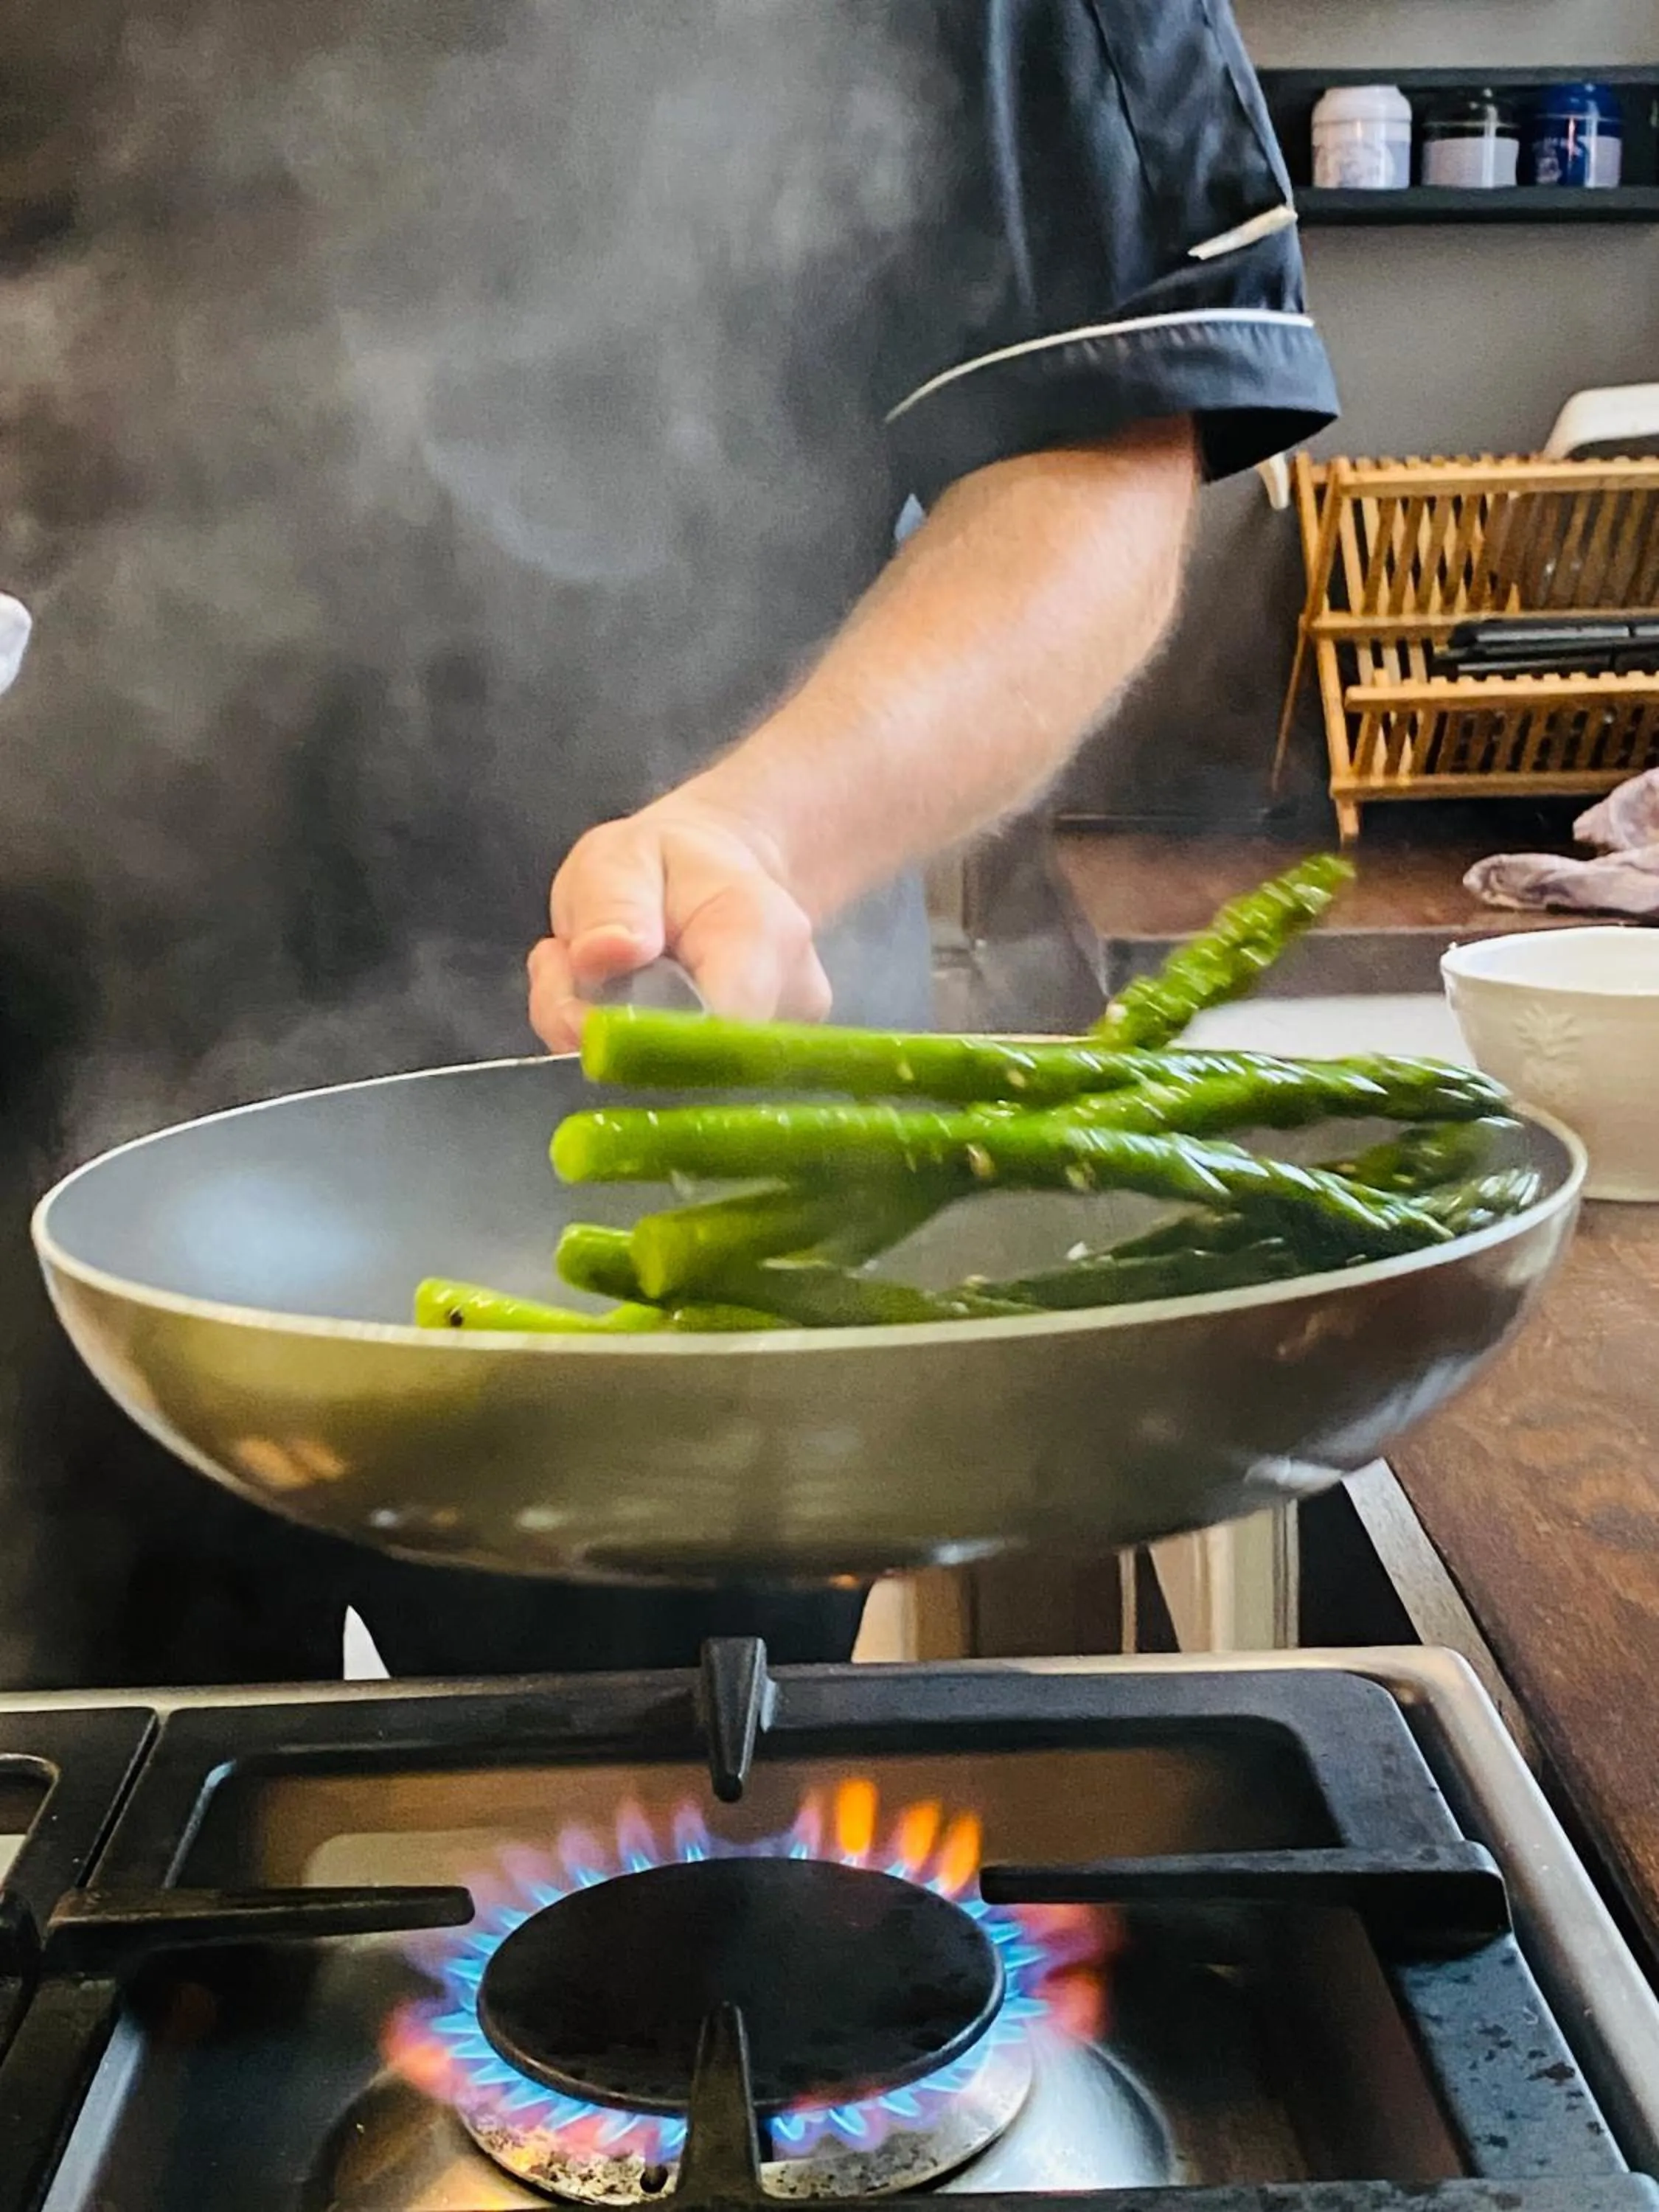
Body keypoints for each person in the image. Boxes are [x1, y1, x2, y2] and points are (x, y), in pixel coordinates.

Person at [0, 0, 1335, 1688]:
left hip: (680, 1102)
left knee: (680, 1895)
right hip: (47, 1097)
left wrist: (764, 825)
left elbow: (1094, 448)